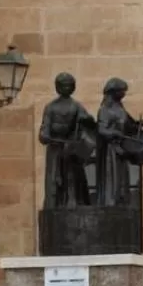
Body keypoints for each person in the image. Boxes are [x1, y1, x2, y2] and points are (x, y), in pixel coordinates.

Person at [37, 73, 92, 210]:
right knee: (54, 182)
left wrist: (85, 123)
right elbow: (44, 132)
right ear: (58, 87)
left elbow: (87, 125)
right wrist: (45, 136)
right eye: (63, 85)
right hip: (56, 149)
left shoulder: (77, 106)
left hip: (71, 149)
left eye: (69, 85)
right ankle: (54, 207)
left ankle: (73, 203)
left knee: (72, 179)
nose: (66, 87)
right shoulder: (50, 107)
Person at [94, 77, 143, 208]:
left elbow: (128, 125)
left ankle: (122, 201)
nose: (124, 94)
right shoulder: (105, 110)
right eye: (121, 91)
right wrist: (114, 133)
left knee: (122, 178)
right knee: (113, 179)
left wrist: (137, 125)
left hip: (121, 149)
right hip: (110, 151)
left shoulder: (120, 109)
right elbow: (101, 130)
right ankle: (111, 203)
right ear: (113, 92)